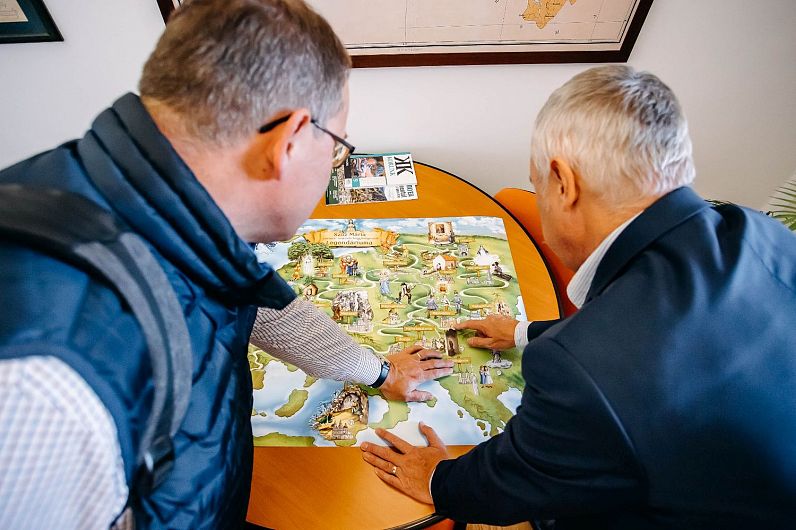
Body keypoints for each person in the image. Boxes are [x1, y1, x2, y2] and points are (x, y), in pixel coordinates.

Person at [0, 1, 452, 528]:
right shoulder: (42, 391)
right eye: (337, 148)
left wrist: (377, 371)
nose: (334, 165)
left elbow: (252, 299)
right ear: (287, 143)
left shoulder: (148, 192)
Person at [360, 65, 796, 528]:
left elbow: (513, 483)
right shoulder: (760, 231)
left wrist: (438, 480)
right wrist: (525, 332)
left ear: (563, 183)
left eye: (537, 186)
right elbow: (669, 338)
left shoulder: (580, 367)